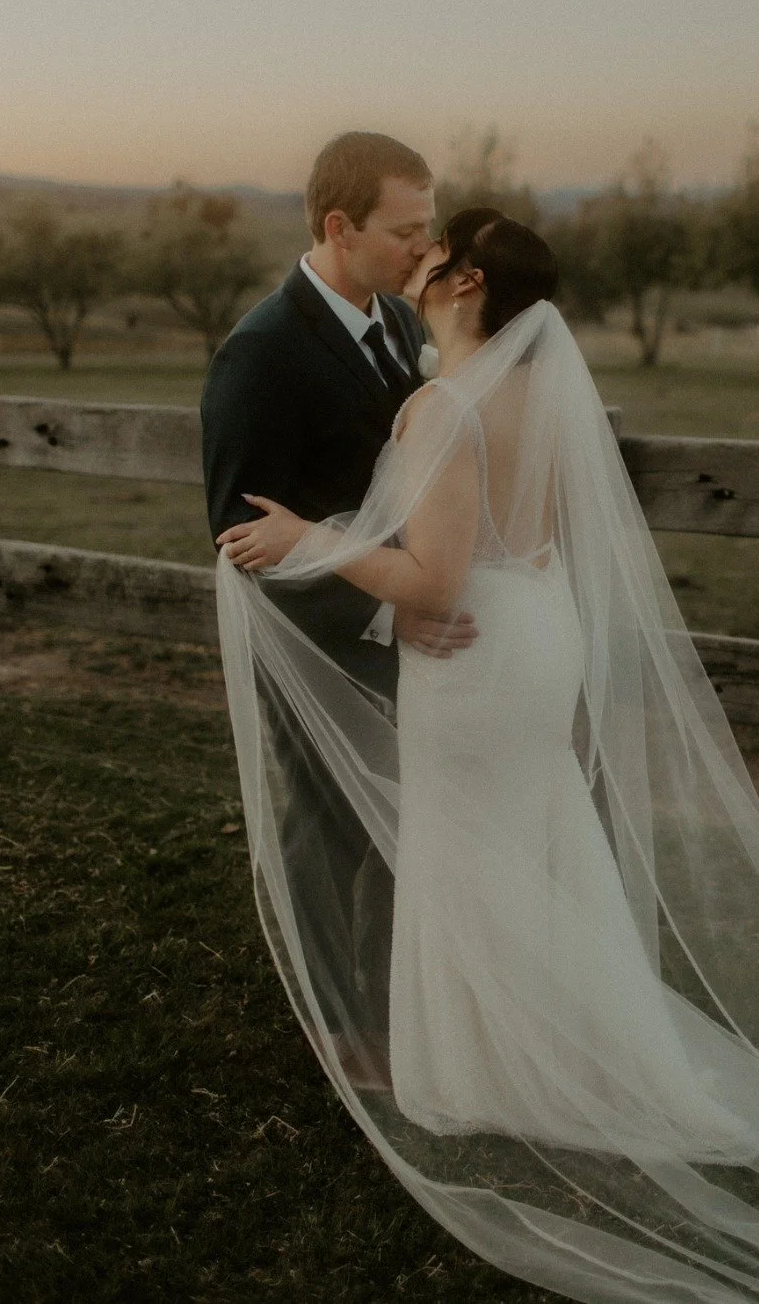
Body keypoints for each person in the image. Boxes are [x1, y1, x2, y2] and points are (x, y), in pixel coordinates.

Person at [215, 210, 759, 1302]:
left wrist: (307, 540)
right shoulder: (540, 397)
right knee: (535, 827)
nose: (414, 261)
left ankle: (510, 1069)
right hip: (536, 635)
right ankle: (554, 1049)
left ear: (465, 281)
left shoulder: (442, 407)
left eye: (434, 249)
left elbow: (435, 584)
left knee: (474, 842)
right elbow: (540, 543)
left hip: (476, 654)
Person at [201, 132, 478, 1092]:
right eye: (405, 232)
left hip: (395, 621)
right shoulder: (260, 352)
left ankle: (398, 1001)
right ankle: (336, 1023)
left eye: (426, 227)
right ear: (338, 227)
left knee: (395, 819)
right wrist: (379, 612)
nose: (422, 249)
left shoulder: (397, 326)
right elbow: (240, 538)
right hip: (312, 640)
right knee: (326, 828)